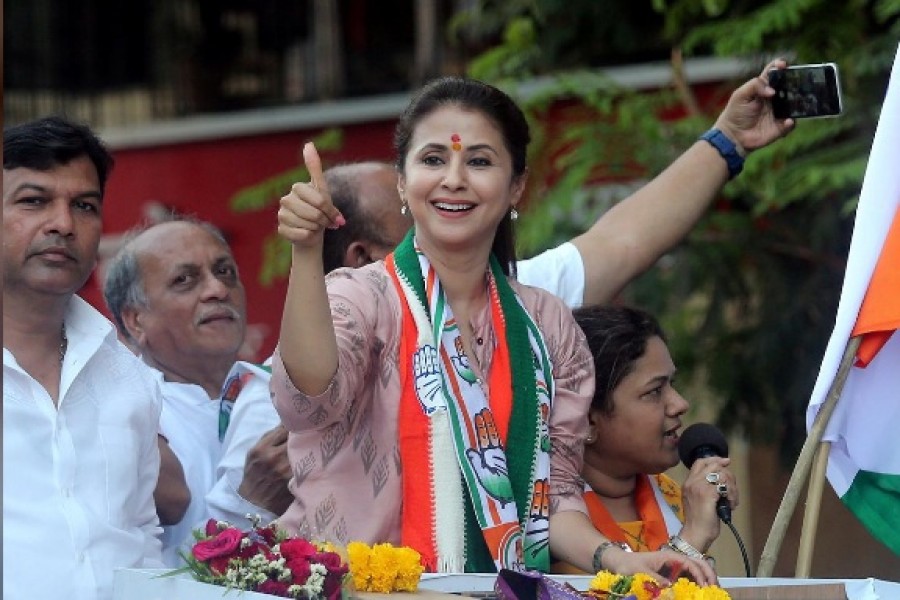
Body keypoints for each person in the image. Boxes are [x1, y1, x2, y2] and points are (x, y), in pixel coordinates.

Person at [273, 76, 717, 584]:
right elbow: (307, 400)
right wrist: (305, 253)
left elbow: (555, 498)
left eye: (479, 161)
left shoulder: (547, 325)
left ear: (516, 186)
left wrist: (616, 558)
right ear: (402, 181)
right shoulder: (361, 299)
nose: (454, 179)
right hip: (355, 590)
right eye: (433, 159)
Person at [3, 116, 164, 600]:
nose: (63, 224)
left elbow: (141, 536)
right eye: (34, 201)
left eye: (85, 206)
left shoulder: (128, 377)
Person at [103, 218, 291, 565]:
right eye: (185, 280)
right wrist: (248, 502)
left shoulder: (286, 393)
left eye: (225, 272)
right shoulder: (119, 415)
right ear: (135, 320)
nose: (217, 290)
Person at [551, 305, 738, 574]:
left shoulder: (678, 498)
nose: (679, 404)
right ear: (586, 420)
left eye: (672, 384)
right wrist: (691, 540)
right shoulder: (540, 522)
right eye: (654, 391)